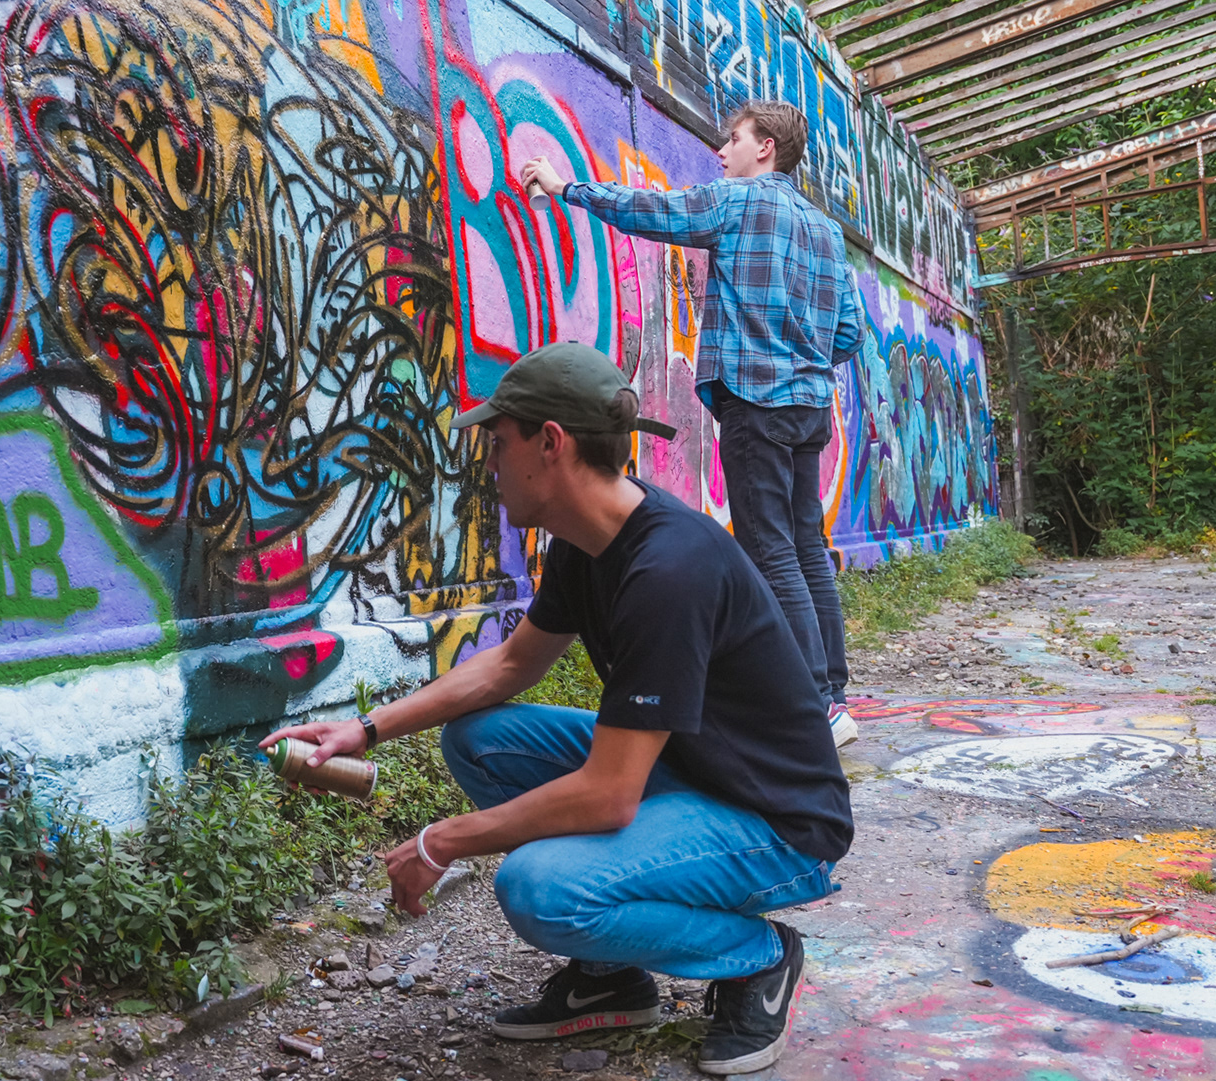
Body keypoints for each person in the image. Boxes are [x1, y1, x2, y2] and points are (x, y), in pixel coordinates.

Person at [260, 343, 853, 1076]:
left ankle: (759, 957)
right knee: (481, 740)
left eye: (498, 442)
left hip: (779, 822)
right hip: (693, 776)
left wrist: (440, 840)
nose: (490, 463)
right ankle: (610, 974)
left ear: (551, 443)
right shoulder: (589, 540)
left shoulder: (670, 570)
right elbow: (511, 665)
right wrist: (363, 727)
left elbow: (608, 794)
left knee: (539, 887)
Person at [521, 101, 865, 747]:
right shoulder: (824, 231)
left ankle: (813, 705)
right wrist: (801, 353)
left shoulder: (738, 202)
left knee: (771, 550)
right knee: (806, 546)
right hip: (808, 406)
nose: (720, 151)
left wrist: (567, 187)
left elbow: (658, 212)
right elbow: (847, 331)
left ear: (765, 147)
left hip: (756, 401)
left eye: (731, 139)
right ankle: (834, 696)